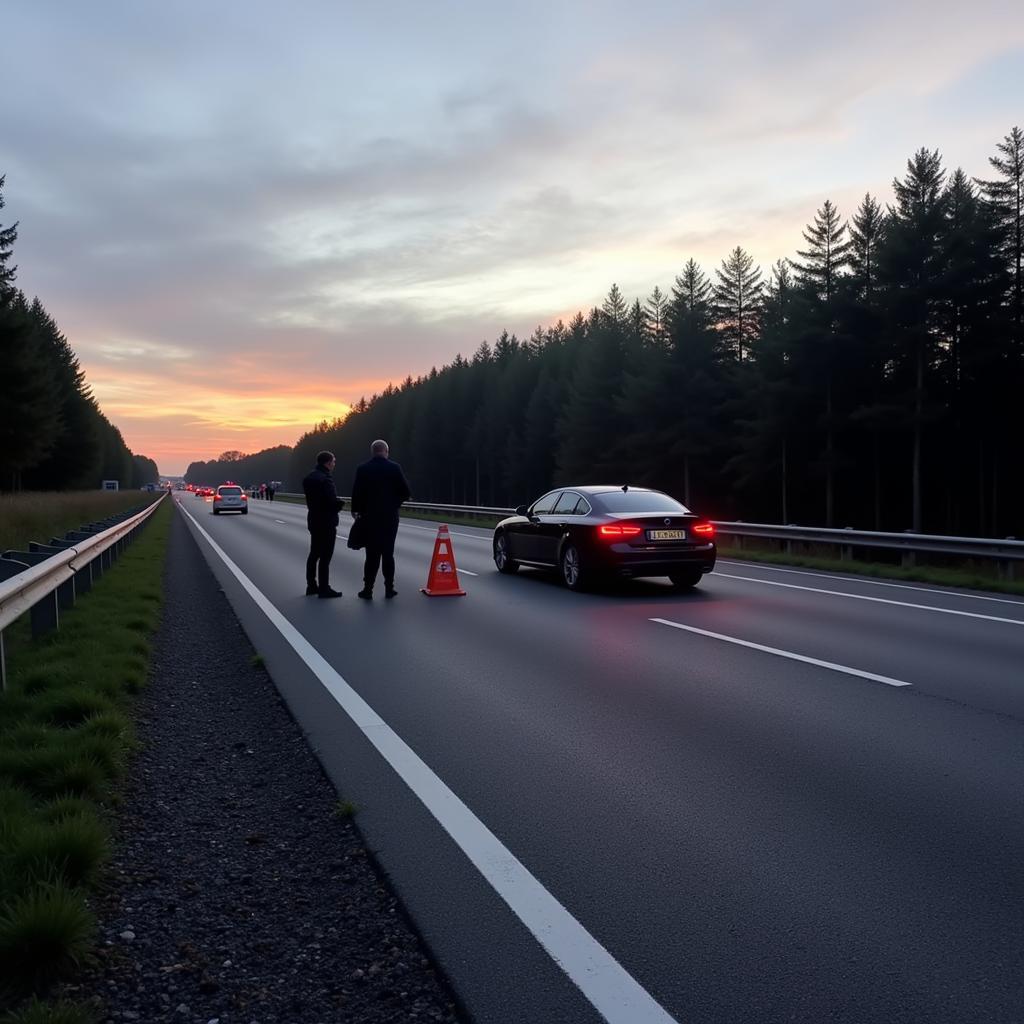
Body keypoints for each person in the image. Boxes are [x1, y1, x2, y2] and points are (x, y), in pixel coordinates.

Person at [351, 439, 411, 599]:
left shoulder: (363, 469)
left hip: (369, 517)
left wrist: (356, 510)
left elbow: (356, 492)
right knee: (388, 553)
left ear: (372, 451)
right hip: (389, 517)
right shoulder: (394, 468)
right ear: (386, 451)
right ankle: (389, 588)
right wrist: (394, 503)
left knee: (371, 555)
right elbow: (406, 491)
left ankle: (368, 589)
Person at [303, 451, 344, 599]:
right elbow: (331, 502)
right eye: (333, 461)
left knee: (314, 553)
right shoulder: (326, 479)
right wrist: (340, 505)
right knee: (325, 556)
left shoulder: (309, 478)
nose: (334, 464)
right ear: (327, 463)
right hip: (326, 521)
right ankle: (324, 588)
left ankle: (311, 585)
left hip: (313, 518)